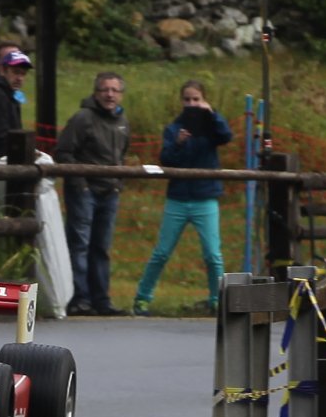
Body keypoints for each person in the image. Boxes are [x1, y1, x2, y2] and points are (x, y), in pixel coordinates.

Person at [132, 80, 233, 316]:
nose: (192, 104)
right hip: (178, 198)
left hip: (205, 197)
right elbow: (166, 159)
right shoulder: (174, 128)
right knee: (162, 252)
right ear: (181, 102)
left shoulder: (211, 127)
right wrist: (178, 144)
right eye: (187, 99)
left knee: (213, 255)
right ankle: (142, 298)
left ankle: (217, 299)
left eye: (196, 99)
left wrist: (213, 114)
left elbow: (226, 136)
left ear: (203, 100)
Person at [54, 72, 130, 316]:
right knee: (80, 245)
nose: (110, 94)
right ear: (96, 93)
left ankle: (101, 299)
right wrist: (80, 183)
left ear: (121, 94)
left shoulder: (122, 121)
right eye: (105, 89)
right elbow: (63, 152)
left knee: (102, 246)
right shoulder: (83, 118)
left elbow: (122, 154)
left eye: (114, 90)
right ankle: (79, 299)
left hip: (110, 192)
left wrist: (117, 182)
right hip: (84, 191)